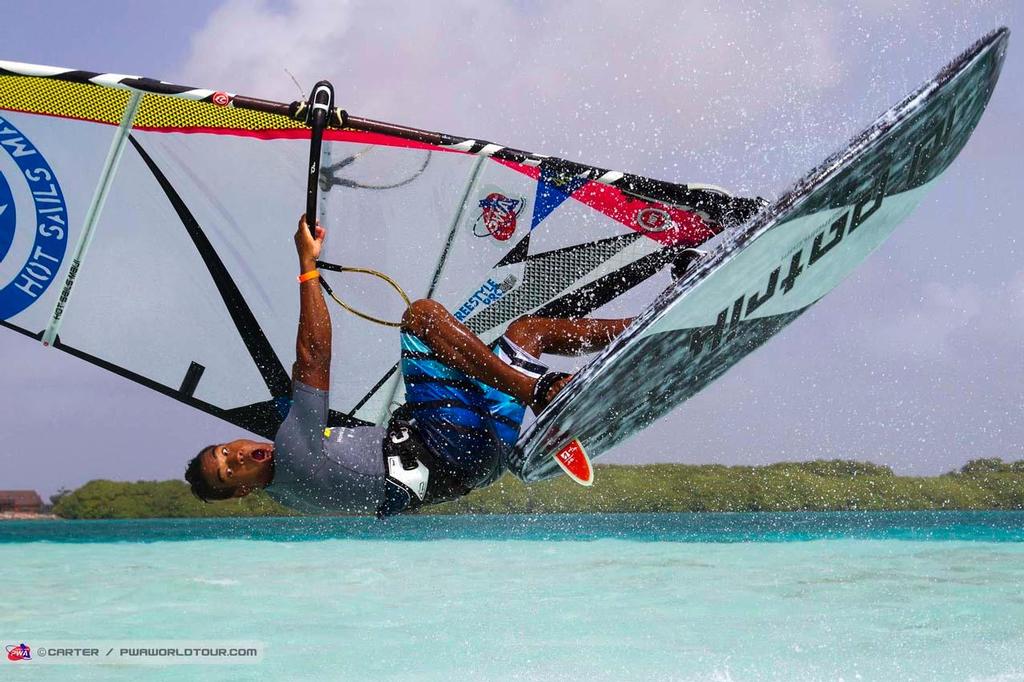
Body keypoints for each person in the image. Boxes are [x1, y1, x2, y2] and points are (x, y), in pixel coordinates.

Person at [185, 215, 633, 517]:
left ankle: (642, 330)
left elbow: (368, 473)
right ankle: (539, 391)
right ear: (242, 488)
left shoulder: (295, 497)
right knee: (421, 319)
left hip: (476, 460)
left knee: (526, 335)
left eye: (227, 450)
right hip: (450, 444)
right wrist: (307, 266)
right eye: (231, 469)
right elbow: (313, 355)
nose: (239, 455)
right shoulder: (294, 456)